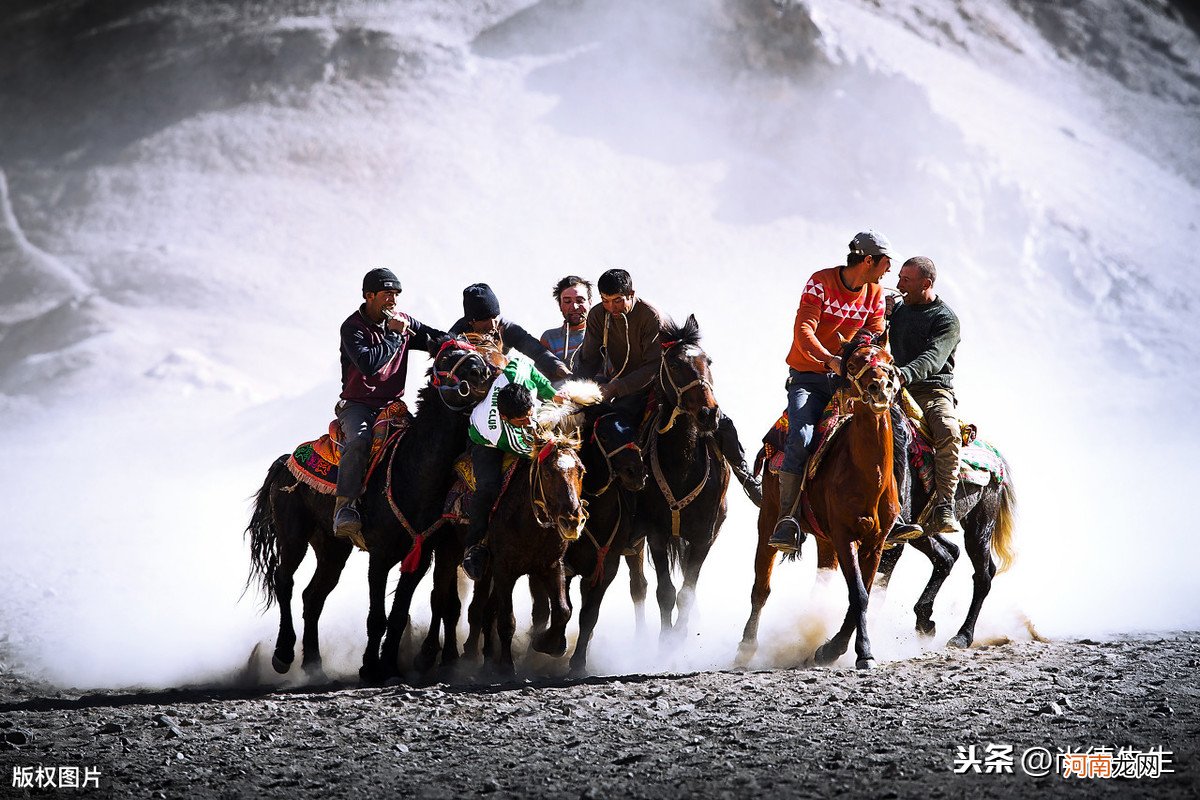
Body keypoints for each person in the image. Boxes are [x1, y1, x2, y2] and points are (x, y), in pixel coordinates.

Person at [768, 231, 914, 553]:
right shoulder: (820, 283)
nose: (889, 270)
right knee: (802, 435)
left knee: (899, 431)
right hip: (810, 378)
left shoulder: (875, 292)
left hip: (854, 380)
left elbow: (874, 332)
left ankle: (895, 516)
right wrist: (829, 360)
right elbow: (804, 330)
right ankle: (787, 518)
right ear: (868, 261)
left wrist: (856, 360)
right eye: (886, 263)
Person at [575, 268, 762, 505]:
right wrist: (575, 390)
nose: (612, 307)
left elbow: (654, 366)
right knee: (606, 430)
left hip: (660, 385)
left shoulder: (651, 315)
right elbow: (589, 359)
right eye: (606, 301)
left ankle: (745, 477)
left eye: (618, 300)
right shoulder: (597, 316)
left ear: (631, 294)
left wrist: (615, 388)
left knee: (718, 420)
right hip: (622, 389)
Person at [334, 268, 447, 548]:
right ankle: (344, 507)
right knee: (359, 442)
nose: (392, 301)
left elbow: (434, 338)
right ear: (369, 296)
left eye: (396, 295)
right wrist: (396, 337)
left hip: (392, 406)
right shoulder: (352, 328)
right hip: (358, 405)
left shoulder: (402, 322)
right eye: (387, 295)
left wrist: (460, 343)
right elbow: (368, 365)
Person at [461, 353, 565, 580]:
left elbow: (529, 368)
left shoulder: (516, 374)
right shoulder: (501, 433)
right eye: (521, 421)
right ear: (505, 417)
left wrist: (552, 394)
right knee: (488, 487)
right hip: (484, 442)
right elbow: (538, 452)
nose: (529, 422)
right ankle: (473, 546)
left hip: (510, 413)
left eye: (529, 415)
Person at [889, 256, 964, 535]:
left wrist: (903, 374)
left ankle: (945, 505)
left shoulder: (945, 319)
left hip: (931, 390)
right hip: (893, 387)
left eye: (905, 280)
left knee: (947, 430)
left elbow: (933, 358)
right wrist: (883, 319)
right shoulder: (896, 311)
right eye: (899, 278)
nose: (898, 285)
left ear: (926, 284)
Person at [450, 283, 571, 382]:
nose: (493, 324)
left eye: (494, 316)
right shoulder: (458, 334)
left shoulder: (505, 328)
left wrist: (558, 367)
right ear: (472, 322)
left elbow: (536, 350)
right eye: (486, 320)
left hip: (498, 378)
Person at [540, 275, 593, 371]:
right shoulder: (549, 338)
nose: (574, 307)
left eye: (580, 301)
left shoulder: (602, 335)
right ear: (560, 305)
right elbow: (542, 377)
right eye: (567, 301)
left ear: (590, 302)